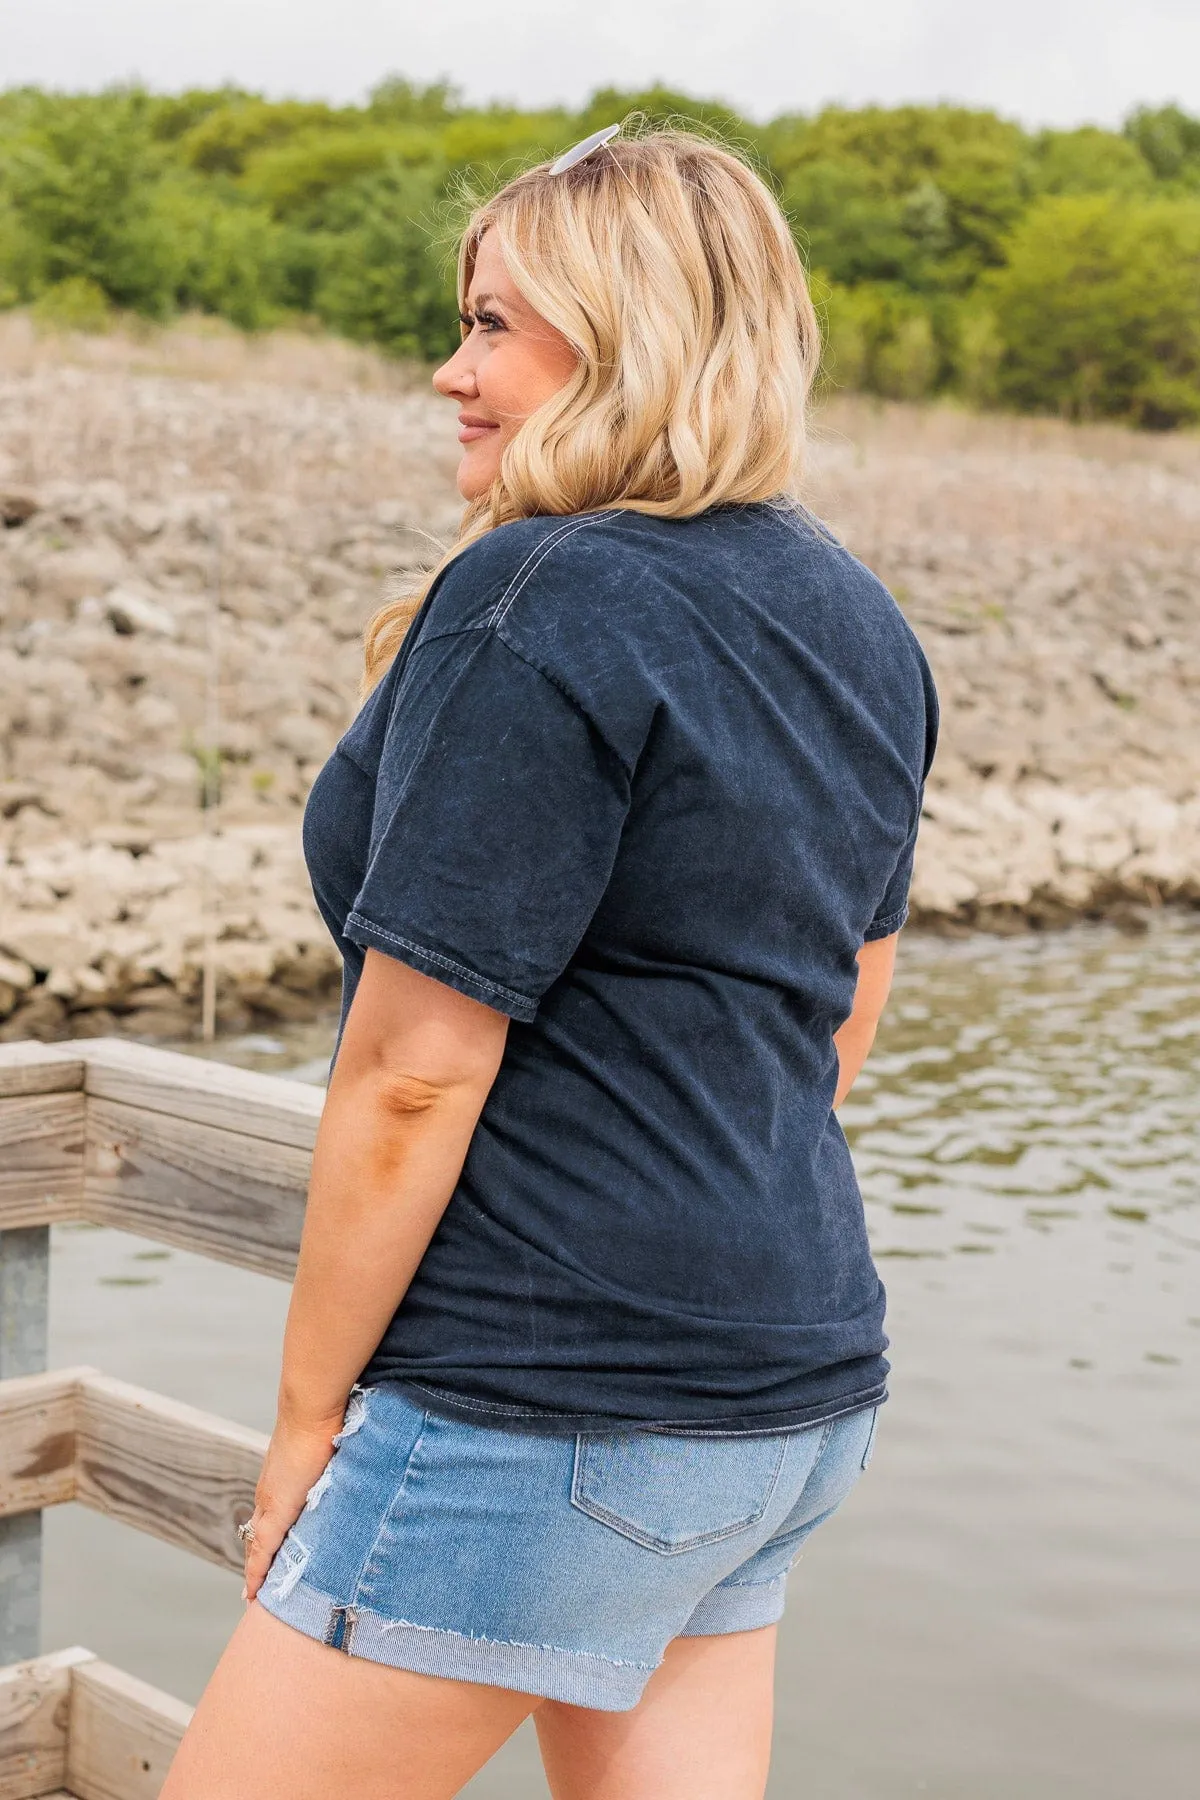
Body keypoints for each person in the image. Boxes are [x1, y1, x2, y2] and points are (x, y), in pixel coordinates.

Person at [161, 122, 938, 1800]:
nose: (453, 370)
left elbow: (414, 1070)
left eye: (498, 324)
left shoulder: (541, 598)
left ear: (632, 333)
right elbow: (845, 997)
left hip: (550, 1402)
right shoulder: (852, 614)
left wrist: (306, 1426)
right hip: (788, 1389)